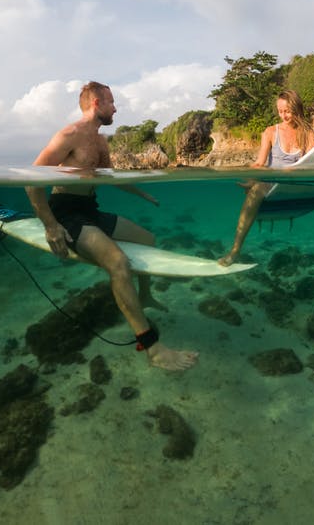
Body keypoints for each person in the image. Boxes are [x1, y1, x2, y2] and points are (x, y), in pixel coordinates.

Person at [26, 81, 198, 371]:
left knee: (148, 239)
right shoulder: (69, 135)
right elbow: (32, 179)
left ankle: (145, 295)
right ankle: (152, 347)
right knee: (118, 263)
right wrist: (51, 226)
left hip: (89, 209)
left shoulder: (101, 142)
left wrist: (145, 194)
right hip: (66, 213)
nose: (115, 107)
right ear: (96, 103)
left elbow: (109, 178)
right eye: (111, 102)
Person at [219, 89, 314, 268]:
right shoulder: (270, 132)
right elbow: (259, 163)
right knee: (256, 190)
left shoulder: (308, 133)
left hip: (299, 183)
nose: (283, 115)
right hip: (273, 185)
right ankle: (235, 250)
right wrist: (250, 178)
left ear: (297, 108)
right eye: (280, 111)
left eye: (287, 111)